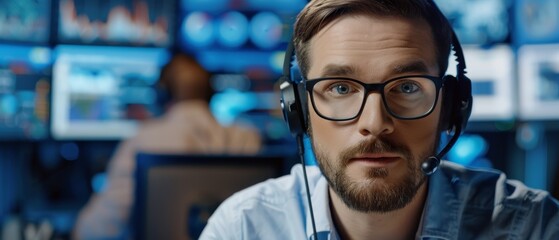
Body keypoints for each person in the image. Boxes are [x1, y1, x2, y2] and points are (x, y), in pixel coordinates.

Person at [200, 0, 559, 239]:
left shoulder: (529, 226)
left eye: (406, 87)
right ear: (299, 110)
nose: (375, 122)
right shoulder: (244, 227)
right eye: (340, 88)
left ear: (450, 107)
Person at [72, 53, 262, 239]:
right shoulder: (247, 138)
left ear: (162, 96)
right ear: (210, 94)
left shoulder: (144, 140)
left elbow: (98, 230)